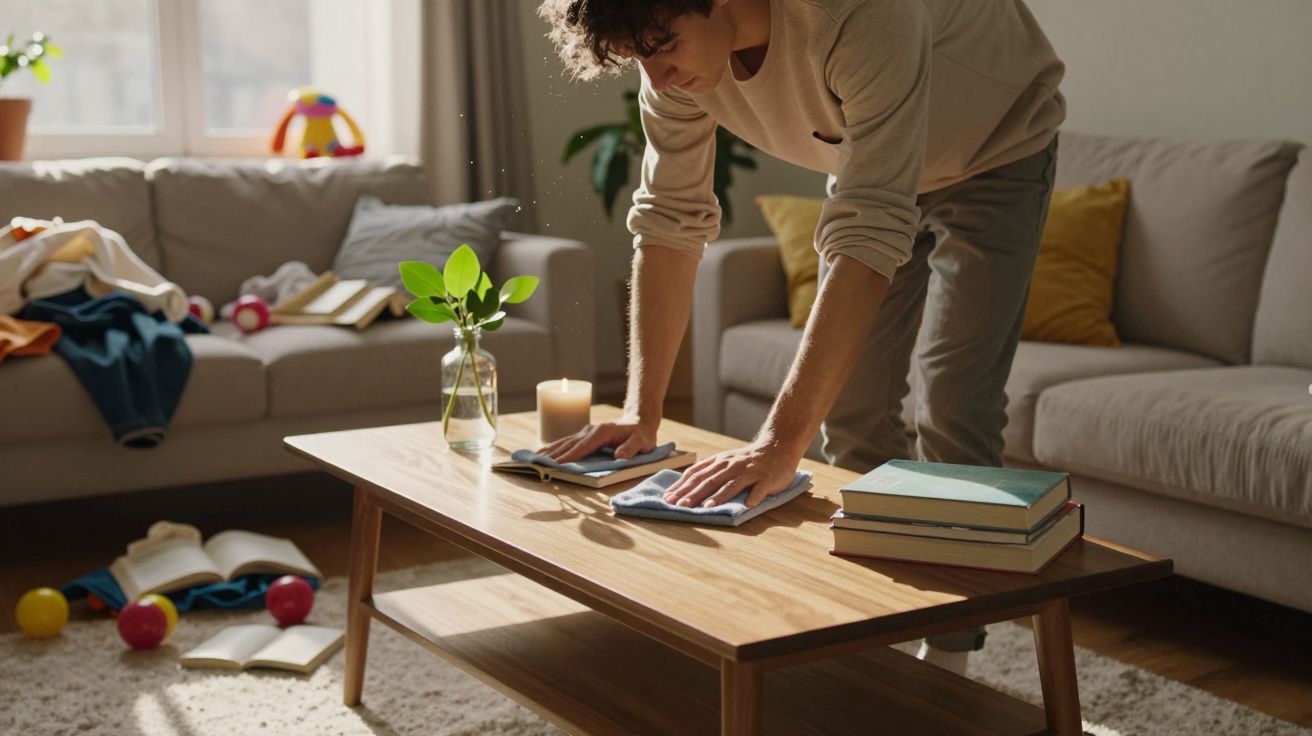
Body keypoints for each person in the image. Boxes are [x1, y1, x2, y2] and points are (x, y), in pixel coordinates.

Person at [536, 0, 1065, 676]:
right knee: (852, 408)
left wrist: (777, 444)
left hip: (997, 148)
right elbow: (670, 218)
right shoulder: (671, 62)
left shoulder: (859, 12)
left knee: (954, 403)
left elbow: (869, 225)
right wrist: (642, 410)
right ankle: (882, 622)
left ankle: (948, 659)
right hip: (874, 156)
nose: (657, 77)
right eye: (640, 58)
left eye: (662, 47)